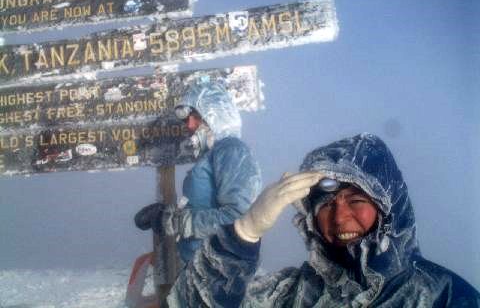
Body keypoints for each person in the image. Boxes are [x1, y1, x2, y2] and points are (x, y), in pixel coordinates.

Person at [167, 133, 480, 307]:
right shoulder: (290, 295)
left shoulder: (444, 296)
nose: (341, 217)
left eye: (356, 201)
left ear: (390, 208)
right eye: (326, 205)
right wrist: (243, 234)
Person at [134, 81, 262, 264]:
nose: (190, 125)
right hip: (203, 266)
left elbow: (240, 219)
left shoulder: (232, 151)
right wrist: (166, 215)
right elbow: (202, 206)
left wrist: (179, 222)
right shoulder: (215, 153)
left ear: (215, 114)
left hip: (222, 272)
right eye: (187, 120)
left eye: (195, 117)